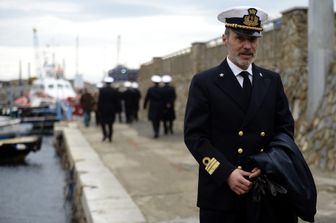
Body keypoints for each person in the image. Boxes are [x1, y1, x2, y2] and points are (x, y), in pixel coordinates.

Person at [184, 6, 306, 223]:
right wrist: (226, 173)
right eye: (240, 38)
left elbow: (284, 129)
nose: (247, 46)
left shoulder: (271, 80)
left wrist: (269, 162)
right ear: (225, 39)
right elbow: (195, 137)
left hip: (268, 189)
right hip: (221, 194)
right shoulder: (205, 82)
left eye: (253, 39)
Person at [97, 77, 119, 142]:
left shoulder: (102, 90)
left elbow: (100, 101)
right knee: (110, 124)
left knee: (103, 123)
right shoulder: (114, 90)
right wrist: (117, 110)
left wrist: (99, 109)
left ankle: (105, 135)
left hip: (103, 109)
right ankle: (110, 137)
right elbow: (116, 101)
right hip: (112, 109)